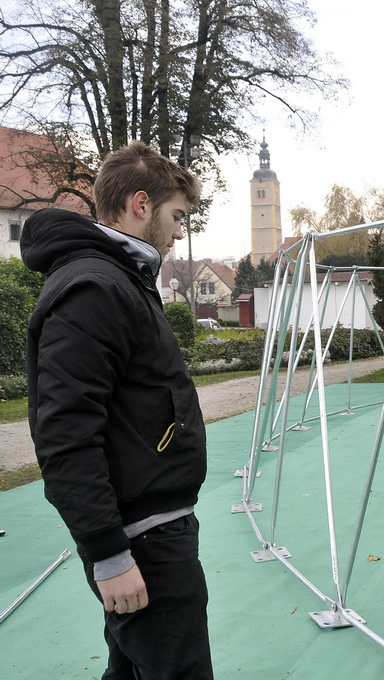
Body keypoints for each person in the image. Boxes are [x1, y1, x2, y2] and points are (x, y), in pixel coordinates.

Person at [21, 141, 212, 679]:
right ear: (140, 204)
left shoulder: (120, 278)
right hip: (141, 541)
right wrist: (108, 553)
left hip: (153, 530)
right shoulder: (95, 287)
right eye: (177, 217)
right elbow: (63, 435)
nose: (179, 232)